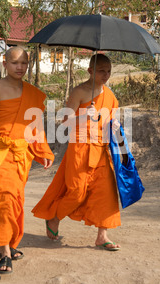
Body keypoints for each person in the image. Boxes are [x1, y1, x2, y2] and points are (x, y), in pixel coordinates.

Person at [0, 47, 54, 274]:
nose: (20, 67)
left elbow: (35, 126)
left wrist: (43, 151)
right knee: (3, 201)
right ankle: (5, 251)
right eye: (15, 62)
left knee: (15, 201)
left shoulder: (33, 93)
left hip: (21, 156)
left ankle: (9, 243)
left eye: (24, 63)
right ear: (5, 63)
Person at [32, 53, 121, 251]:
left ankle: (102, 236)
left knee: (106, 193)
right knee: (77, 192)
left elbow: (111, 121)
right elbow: (65, 122)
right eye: (101, 71)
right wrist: (84, 118)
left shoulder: (110, 95)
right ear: (90, 71)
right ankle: (54, 217)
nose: (106, 75)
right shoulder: (79, 92)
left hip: (101, 149)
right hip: (80, 148)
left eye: (108, 71)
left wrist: (113, 124)